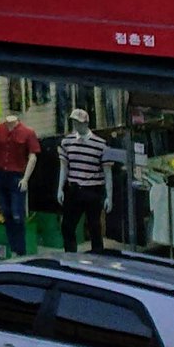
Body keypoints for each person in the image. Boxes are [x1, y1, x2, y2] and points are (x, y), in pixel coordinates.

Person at [0, 112, 42, 254]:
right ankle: (12, 247)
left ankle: (20, 250)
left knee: (18, 214)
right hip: (0, 174)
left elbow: (33, 157)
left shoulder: (27, 132)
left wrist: (26, 178)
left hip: (17, 176)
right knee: (6, 212)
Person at [57, 108, 110, 252]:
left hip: (93, 189)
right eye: (74, 123)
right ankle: (71, 256)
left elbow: (107, 172)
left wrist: (108, 196)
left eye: (79, 123)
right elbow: (64, 167)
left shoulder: (100, 144)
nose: (76, 126)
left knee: (94, 226)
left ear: (86, 123)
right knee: (67, 226)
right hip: (74, 188)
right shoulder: (67, 142)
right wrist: (60, 189)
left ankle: (97, 256)